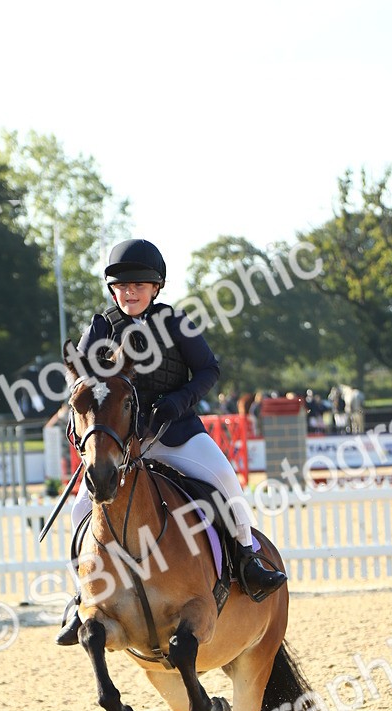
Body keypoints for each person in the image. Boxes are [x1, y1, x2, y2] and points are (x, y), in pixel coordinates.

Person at [56, 238, 286, 645]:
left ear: (156, 287)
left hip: (174, 434)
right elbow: (86, 382)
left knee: (224, 479)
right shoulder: (101, 327)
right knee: (79, 512)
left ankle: (249, 559)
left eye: (139, 286)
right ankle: (83, 594)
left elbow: (208, 369)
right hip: (122, 444)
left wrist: (176, 402)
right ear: (113, 290)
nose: (130, 292)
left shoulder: (177, 323)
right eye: (123, 287)